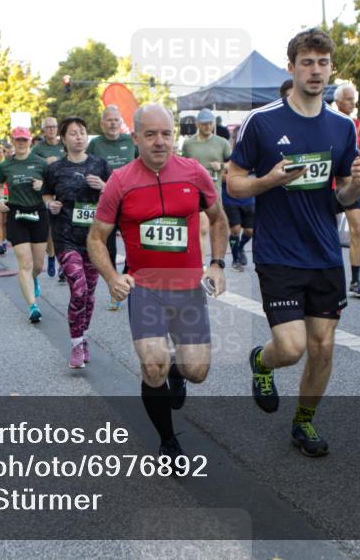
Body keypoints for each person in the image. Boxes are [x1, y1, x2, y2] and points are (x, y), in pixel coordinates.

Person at [227, 29, 360, 457]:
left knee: (323, 347)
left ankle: (304, 422)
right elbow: (233, 184)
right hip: (278, 252)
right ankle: (262, 361)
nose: (316, 70)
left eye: (323, 63)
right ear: (291, 68)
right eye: (307, 62)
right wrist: (269, 180)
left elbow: (342, 196)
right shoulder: (263, 121)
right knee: (291, 348)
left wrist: (355, 187)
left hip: (324, 251)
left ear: (330, 69)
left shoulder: (343, 126)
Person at [88, 104, 228, 458]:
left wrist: (216, 264)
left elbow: (218, 219)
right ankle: (168, 440)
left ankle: (178, 373)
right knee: (153, 365)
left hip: (188, 288)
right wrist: (112, 276)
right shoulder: (120, 181)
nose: (159, 142)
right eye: (150, 135)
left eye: (166, 133)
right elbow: (96, 236)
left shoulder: (194, 173)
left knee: (197, 371)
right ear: (135, 138)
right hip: (146, 288)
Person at [42, 117, 111, 368]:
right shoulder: (55, 168)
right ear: (64, 139)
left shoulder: (100, 165)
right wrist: (50, 204)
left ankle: (83, 338)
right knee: (78, 289)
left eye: (83, 132)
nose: (79, 137)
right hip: (65, 237)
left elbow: (115, 194)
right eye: (73, 133)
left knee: (90, 295)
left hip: (93, 240)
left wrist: (104, 186)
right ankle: (75, 344)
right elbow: (47, 194)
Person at [87, 105, 138, 310]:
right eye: (109, 120)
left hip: (131, 200)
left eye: (116, 119)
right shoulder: (95, 144)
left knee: (134, 244)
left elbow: (142, 165)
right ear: (102, 123)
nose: (113, 123)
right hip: (106, 203)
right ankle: (115, 287)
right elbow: (86, 167)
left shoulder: (130, 141)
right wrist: (99, 184)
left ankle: (131, 281)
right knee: (109, 247)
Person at [0, 127, 50, 323]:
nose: (21, 143)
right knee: (24, 263)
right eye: (18, 140)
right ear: (13, 141)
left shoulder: (41, 163)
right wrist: (0, 200)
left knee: (37, 265)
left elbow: (51, 188)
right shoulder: (5, 166)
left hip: (38, 214)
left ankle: (34, 278)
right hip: (17, 214)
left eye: (24, 140)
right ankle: (32, 306)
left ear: (30, 141)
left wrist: (42, 187)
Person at [332, 82, 360, 299]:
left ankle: (355, 281)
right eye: (348, 98)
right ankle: (331, 278)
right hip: (330, 184)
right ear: (338, 102)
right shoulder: (328, 119)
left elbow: (352, 149)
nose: (352, 102)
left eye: (353, 98)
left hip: (351, 183)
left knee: (357, 229)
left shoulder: (355, 123)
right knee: (329, 232)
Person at [181, 109, 232, 260]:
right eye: (204, 124)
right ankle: (201, 267)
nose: (207, 127)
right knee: (201, 229)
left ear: (214, 123)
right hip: (195, 193)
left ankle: (216, 263)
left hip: (215, 193)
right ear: (198, 124)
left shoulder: (222, 142)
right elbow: (183, 165)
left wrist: (221, 166)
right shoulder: (189, 144)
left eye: (210, 123)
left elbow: (234, 165)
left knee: (216, 228)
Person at [32, 117, 64, 279]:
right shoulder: (38, 148)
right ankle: (51, 257)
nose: (51, 129)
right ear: (43, 130)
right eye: (48, 127)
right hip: (46, 191)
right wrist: (46, 162)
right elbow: (30, 165)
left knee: (66, 227)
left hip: (64, 189)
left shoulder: (64, 145)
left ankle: (63, 264)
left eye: (54, 126)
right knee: (51, 228)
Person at [223, 128, 255, 271]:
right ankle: (235, 260)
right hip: (230, 198)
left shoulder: (252, 153)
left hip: (248, 199)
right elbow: (220, 175)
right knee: (235, 229)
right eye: (235, 139)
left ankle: (240, 247)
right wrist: (233, 177)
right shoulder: (226, 155)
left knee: (249, 231)